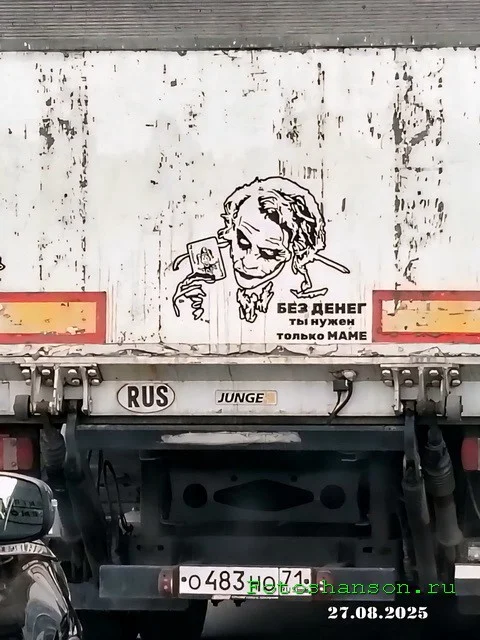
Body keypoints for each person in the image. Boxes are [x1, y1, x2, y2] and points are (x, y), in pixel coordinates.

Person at [172, 176, 349, 323]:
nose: (248, 263)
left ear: (297, 251)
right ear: (231, 229)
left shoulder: (324, 283)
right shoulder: (194, 267)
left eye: (269, 253)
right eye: (243, 242)